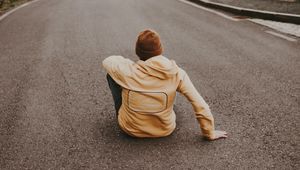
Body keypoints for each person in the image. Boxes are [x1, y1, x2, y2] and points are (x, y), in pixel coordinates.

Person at [102, 29, 227, 140]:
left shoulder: (127, 71)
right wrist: (209, 132)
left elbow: (108, 61)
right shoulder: (176, 72)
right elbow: (200, 104)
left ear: (137, 51)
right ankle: (161, 109)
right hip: (164, 130)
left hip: (130, 129)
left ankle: (125, 113)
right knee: (171, 88)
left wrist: (127, 63)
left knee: (112, 75)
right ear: (160, 50)